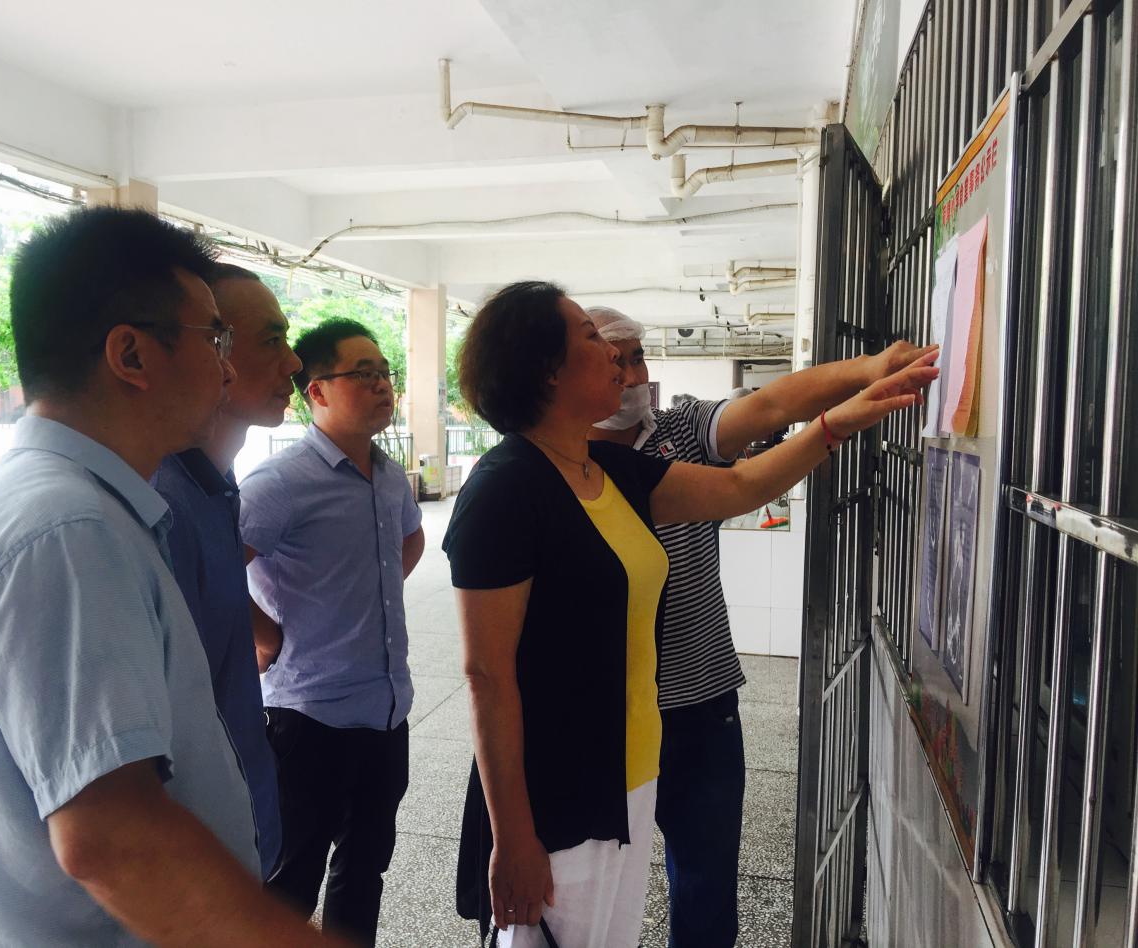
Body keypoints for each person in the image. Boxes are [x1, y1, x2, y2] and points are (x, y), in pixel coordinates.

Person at [443, 281, 937, 948]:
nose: (619, 361)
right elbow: (487, 676)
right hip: (561, 786)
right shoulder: (504, 489)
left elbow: (740, 485)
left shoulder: (606, 470)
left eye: (630, 353)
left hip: (632, 767)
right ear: (547, 369)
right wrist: (512, 838)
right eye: (592, 340)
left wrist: (843, 417)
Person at [0, 207, 336, 947]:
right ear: (132, 355)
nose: (228, 367)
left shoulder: (81, 508)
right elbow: (112, 838)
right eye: (215, 338)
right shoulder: (69, 530)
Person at [584, 305, 933, 948]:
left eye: (637, 358)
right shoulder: (557, 463)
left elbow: (771, 406)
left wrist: (870, 369)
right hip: (605, 713)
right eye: (614, 361)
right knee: (596, 886)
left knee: (706, 881)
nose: (631, 377)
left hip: (701, 703)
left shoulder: (681, 428)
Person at [240, 317, 425, 946]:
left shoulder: (389, 474)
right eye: (363, 374)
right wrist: (266, 633)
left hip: (387, 711)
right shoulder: (280, 483)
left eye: (385, 373)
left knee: (365, 869)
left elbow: (409, 540)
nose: (382, 385)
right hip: (309, 718)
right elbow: (212, 570)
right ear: (316, 390)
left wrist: (367, 592)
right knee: (291, 880)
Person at [150, 263, 302, 883]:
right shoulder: (158, 506)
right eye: (271, 340)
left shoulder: (217, 486)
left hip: (242, 824)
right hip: (199, 865)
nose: (294, 363)